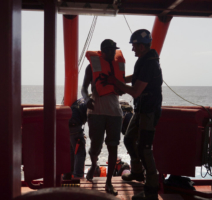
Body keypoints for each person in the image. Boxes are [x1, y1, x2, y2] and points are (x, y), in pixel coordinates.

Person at [100, 29, 163, 200]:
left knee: (145, 149)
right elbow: (136, 78)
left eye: (134, 46)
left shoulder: (150, 63)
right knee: (128, 139)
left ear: (141, 46)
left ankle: (151, 191)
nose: (133, 49)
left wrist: (116, 83)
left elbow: (135, 91)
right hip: (141, 109)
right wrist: (119, 79)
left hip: (149, 111)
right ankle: (136, 172)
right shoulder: (145, 60)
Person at [81, 39, 125, 196]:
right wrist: (87, 100)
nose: (114, 53)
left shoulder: (117, 67)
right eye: (110, 50)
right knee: (96, 146)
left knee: (113, 146)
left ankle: (108, 182)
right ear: (103, 51)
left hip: (115, 113)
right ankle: (93, 165)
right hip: (96, 112)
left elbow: (123, 87)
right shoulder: (91, 67)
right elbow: (83, 89)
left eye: (115, 50)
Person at [69, 97, 87, 178]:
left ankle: (68, 174)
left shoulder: (80, 100)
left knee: (72, 151)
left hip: (67, 125)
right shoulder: (91, 103)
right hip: (75, 127)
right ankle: (78, 176)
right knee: (80, 152)